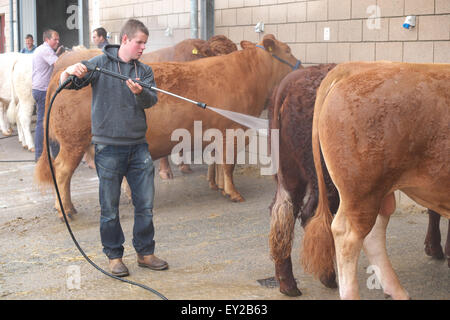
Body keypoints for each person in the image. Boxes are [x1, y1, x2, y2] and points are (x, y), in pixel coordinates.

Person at [60, 19, 168, 277]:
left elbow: (150, 100)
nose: (142, 47)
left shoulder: (144, 71)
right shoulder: (100, 64)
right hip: (108, 149)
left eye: (145, 43)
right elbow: (71, 82)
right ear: (126, 40)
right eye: (139, 42)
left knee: (145, 205)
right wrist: (69, 72)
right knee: (109, 208)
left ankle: (145, 252)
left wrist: (139, 93)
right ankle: (114, 256)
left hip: (139, 148)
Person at [32, 29, 64, 161]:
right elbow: (59, 64)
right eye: (55, 39)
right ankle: (40, 155)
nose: (57, 41)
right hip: (43, 90)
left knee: (47, 121)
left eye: (58, 39)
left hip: (39, 89)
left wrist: (57, 53)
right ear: (47, 40)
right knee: (44, 122)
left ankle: (53, 154)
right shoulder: (45, 50)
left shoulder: (43, 49)